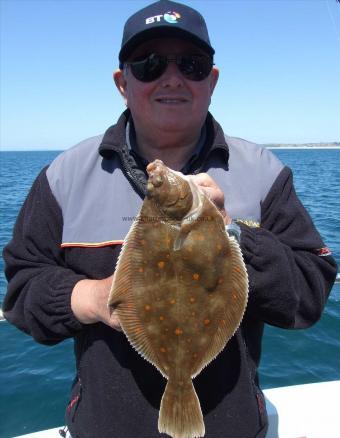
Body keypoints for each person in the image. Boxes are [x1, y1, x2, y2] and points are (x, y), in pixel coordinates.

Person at [3, 1, 337, 437]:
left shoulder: (263, 173)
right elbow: (21, 293)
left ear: (212, 81)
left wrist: (231, 232)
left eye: (192, 65)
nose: (172, 78)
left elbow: (310, 294)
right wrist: (99, 299)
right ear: (123, 82)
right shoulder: (64, 176)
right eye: (150, 64)